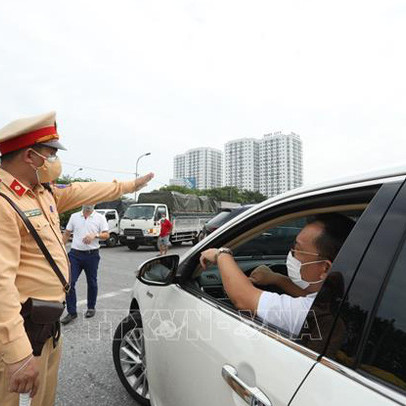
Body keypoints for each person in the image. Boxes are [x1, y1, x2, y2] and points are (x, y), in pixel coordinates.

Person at [0, 111, 154, 406]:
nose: (56, 160)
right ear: (31, 156)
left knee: (42, 399)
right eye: (52, 153)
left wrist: (129, 186)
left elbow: (84, 190)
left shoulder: (41, 192)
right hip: (19, 335)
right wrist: (17, 353)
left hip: (45, 327)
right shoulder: (5, 202)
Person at [200, 213, 355, 336]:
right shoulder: (348, 297)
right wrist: (276, 278)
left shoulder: (312, 315)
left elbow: (244, 298)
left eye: (297, 250)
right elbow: (311, 295)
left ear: (325, 269)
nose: (291, 254)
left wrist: (221, 254)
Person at [60, 205, 109, 324]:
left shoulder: (100, 218)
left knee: (92, 282)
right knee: (69, 282)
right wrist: (60, 248)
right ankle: (72, 312)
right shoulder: (74, 216)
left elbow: (106, 235)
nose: (89, 204)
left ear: (95, 203)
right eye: (87, 201)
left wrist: (95, 235)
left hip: (92, 255)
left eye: (92, 201)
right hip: (75, 254)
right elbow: (67, 233)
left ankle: (91, 307)